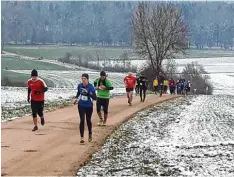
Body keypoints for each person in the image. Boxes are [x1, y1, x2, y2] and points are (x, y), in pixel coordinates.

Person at [72, 73, 97, 144]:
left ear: (87, 79)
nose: (83, 80)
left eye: (84, 78)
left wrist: (88, 93)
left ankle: (90, 134)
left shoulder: (91, 87)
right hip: (81, 105)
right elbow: (78, 93)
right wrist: (76, 99)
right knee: (82, 120)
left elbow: (95, 98)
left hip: (89, 106)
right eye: (82, 78)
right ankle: (82, 137)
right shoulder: (80, 86)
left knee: (88, 120)